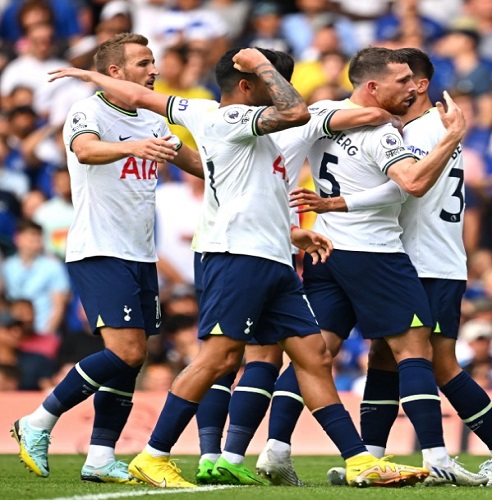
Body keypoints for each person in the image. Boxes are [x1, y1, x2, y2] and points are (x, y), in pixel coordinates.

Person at [48, 44, 429, 489]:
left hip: (272, 256)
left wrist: (292, 233)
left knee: (315, 356)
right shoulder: (228, 118)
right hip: (235, 255)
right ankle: (153, 455)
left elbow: (142, 98)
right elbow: (295, 111)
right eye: (271, 81)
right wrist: (261, 63)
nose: (280, 88)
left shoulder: (212, 115)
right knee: (220, 357)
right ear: (247, 85)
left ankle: (360, 461)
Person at [296, 47, 492, 486]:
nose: (403, 90)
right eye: (397, 81)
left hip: (428, 260)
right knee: (384, 356)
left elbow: (406, 186)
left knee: (437, 362)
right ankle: (372, 458)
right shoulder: (423, 128)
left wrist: (340, 203)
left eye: (408, 81)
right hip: (415, 257)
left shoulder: (422, 132)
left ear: (419, 85)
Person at [255, 47, 484, 487]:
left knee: (314, 353)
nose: (412, 88)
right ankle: (437, 457)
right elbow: (412, 183)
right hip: (375, 253)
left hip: (325, 249)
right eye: (402, 81)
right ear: (374, 86)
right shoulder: (384, 134)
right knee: (414, 351)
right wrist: (452, 136)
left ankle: (276, 448)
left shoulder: (321, 113)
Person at [11, 33, 202, 484]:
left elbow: (194, 163)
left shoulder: (152, 120)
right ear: (115, 71)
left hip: (140, 253)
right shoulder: (88, 111)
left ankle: (100, 455)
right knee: (126, 351)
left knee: (133, 357)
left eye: (153, 62)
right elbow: (85, 149)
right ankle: (37, 420)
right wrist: (131, 147)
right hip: (99, 248)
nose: (154, 70)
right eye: (144, 63)